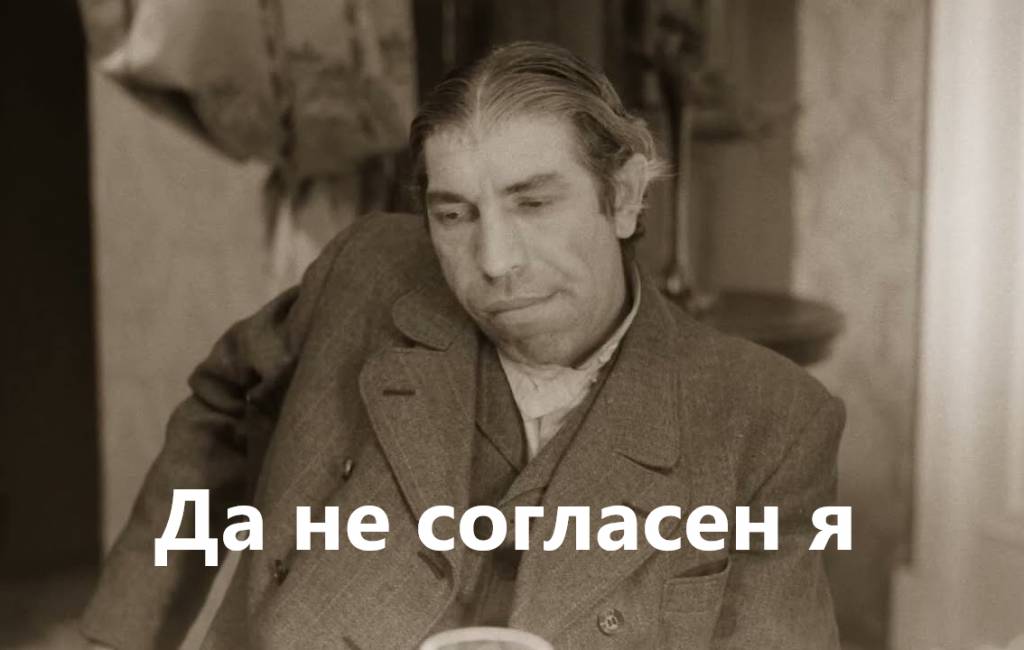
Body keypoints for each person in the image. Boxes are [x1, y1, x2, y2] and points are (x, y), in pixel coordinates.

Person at [82, 41, 846, 650]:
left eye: (533, 203)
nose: (495, 261)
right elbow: (221, 408)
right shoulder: (369, 273)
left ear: (623, 195)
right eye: (455, 215)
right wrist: (120, 635)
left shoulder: (770, 420)